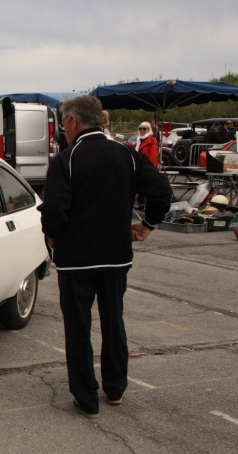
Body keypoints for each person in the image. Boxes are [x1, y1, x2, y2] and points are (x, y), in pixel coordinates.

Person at [38, 95, 171, 419]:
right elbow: (162, 192)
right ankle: (115, 387)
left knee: (78, 327)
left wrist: (53, 235)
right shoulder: (126, 154)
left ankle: (86, 397)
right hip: (115, 257)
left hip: (77, 261)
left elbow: (53, 211)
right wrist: (147, 225)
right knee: (114, 322)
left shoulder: (66, 160)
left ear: (72, 122)